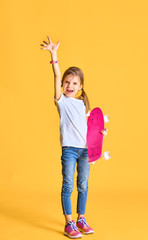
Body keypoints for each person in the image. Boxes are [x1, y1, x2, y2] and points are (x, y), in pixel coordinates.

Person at [40, 36, 107, 239]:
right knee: (68, 184)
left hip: (86, 150)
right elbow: (56, 75)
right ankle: (69, 222)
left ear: (80, 86)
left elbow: (91, 128)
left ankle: (81, 218)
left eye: (74, 83)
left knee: (83, 185)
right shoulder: (62, 101)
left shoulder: (82, 105)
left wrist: (101, 134)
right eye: (67, 82)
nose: (70, 85)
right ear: (62, 85)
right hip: (69, 149)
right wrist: (54, 55)